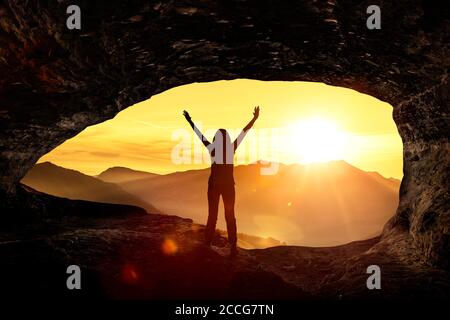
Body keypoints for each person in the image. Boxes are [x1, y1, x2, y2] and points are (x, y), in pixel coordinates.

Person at [183, 106, 260, 256]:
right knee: (230, 216)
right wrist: (254, 118)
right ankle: (233, 246)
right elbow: (244, 132)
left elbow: (199, 134)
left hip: (213, 185)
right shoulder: (231, 148)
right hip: (229, 186)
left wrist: (189, 120)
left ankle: (207, 242)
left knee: (212, 215)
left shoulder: (212, 148)